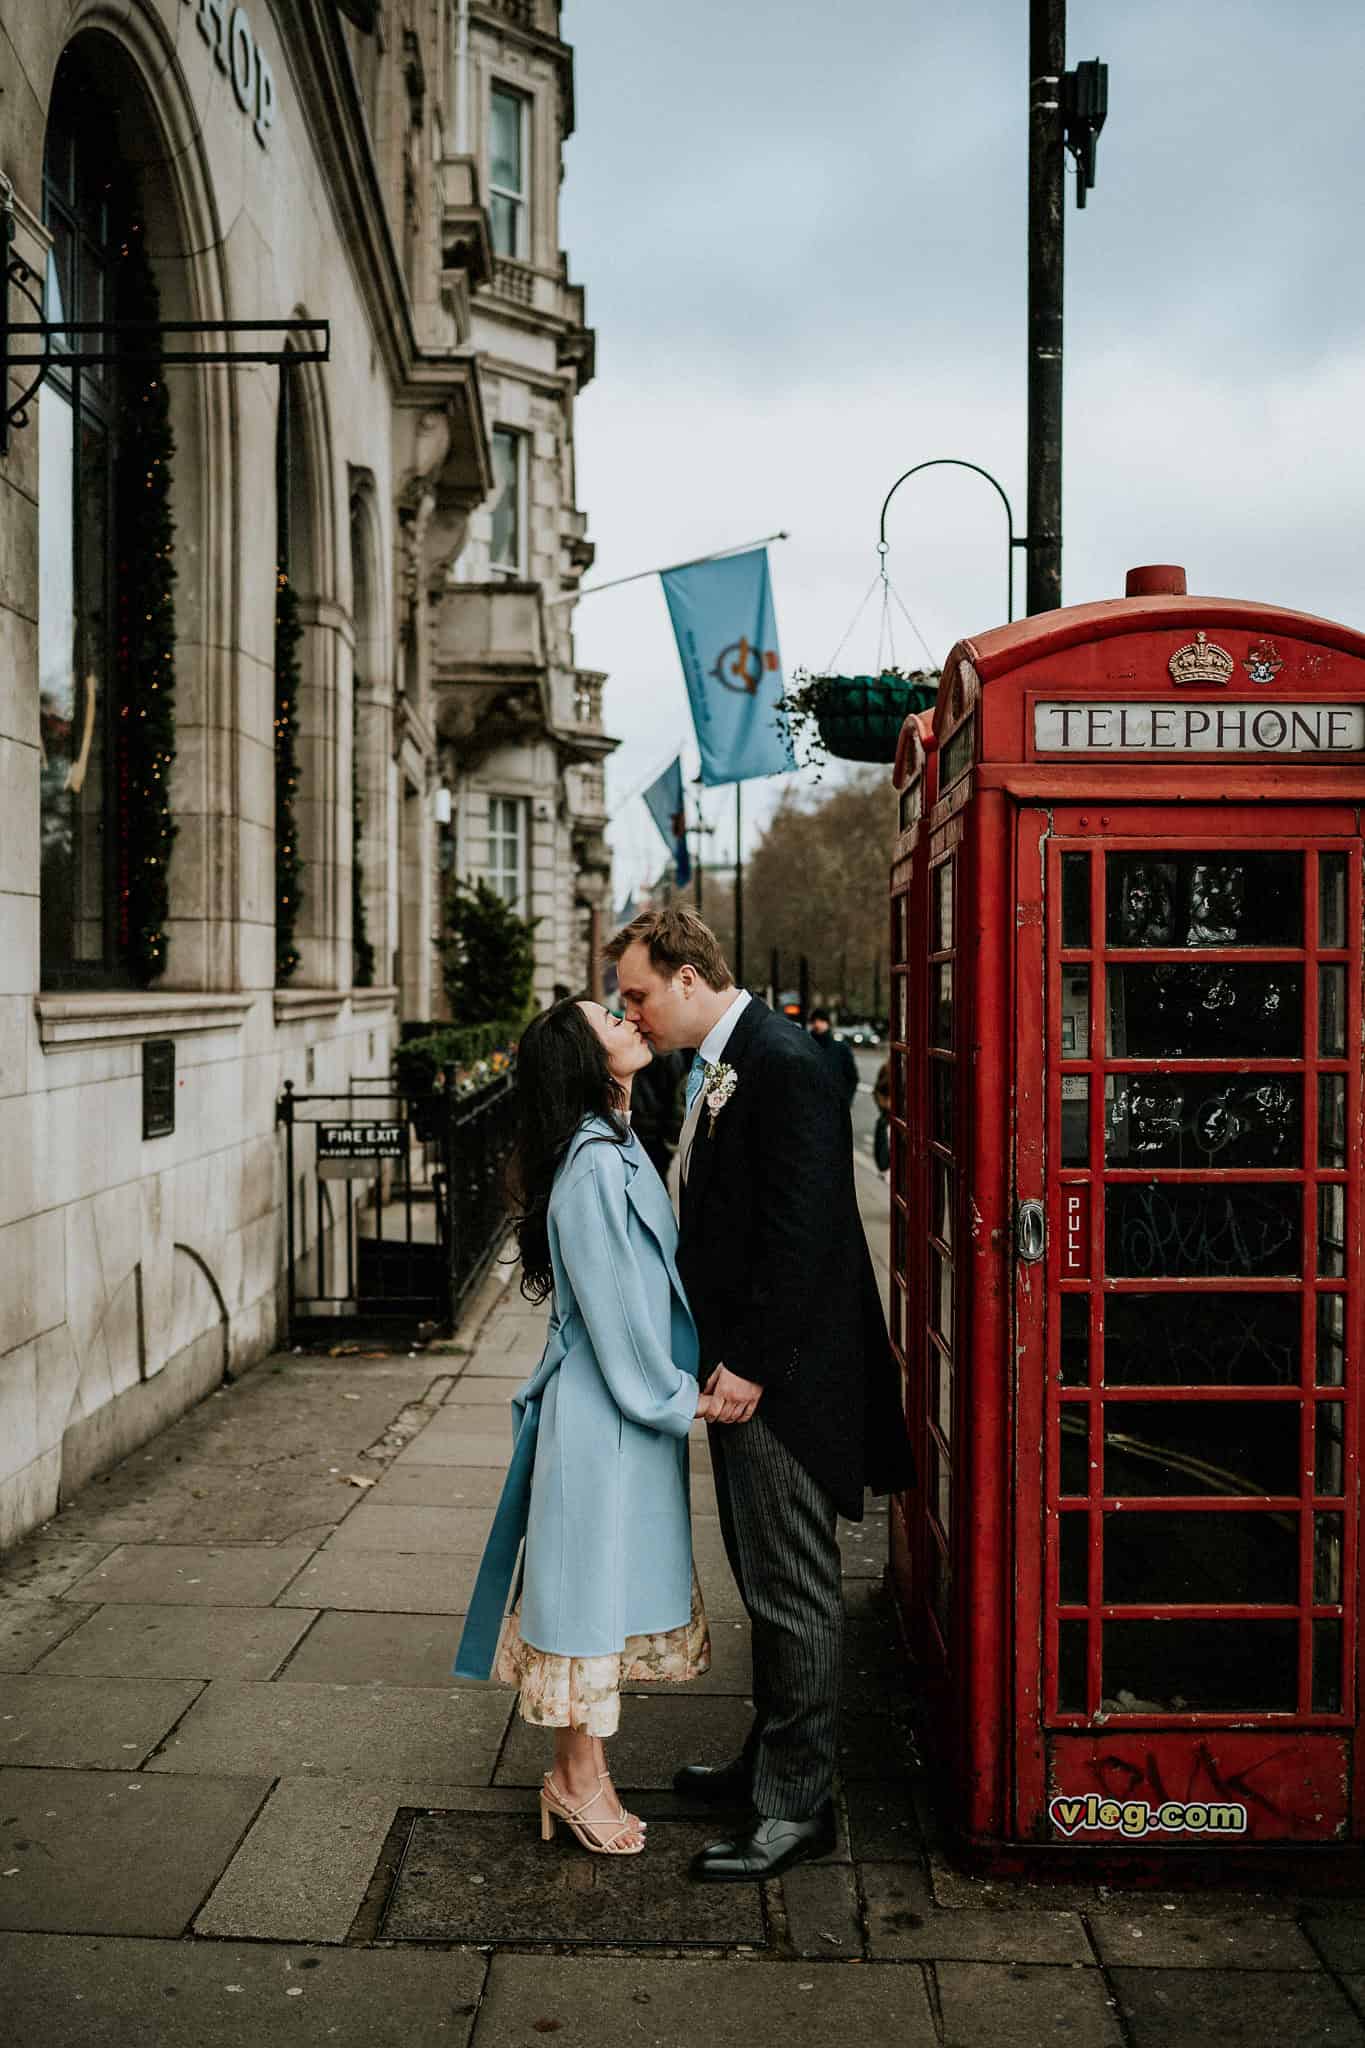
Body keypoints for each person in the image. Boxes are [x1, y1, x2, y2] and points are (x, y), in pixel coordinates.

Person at [606, 908, 914, 1884]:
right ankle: (771, 1757)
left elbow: (807, 1232)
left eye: (640, 993)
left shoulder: (782, 1061)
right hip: (736, 1368)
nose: (633, 1010)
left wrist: (749, 1364)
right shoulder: (716, 1065)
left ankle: (799, 1806)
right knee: (762, 1582)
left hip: (780, 1383)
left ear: (689, 978)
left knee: (794, 1591)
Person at [454, 997, 721, 1856]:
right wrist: (684, 1397)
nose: (631, 1018)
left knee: (593, 1595)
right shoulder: (596, 1166)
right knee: (581, 1603)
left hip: (612, 1413)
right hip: (607, 1412)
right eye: (612, 1016)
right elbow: (615, 1314)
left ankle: (581, 1777)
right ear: (583, 1055)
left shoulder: (607, 1144)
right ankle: (574, 1783)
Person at [807, 1007, 859, 1107]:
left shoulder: (841, 1048)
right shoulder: (806, 1045)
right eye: (815, 1021)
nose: (817, 1024)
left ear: (827, 1023)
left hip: (834, 1103)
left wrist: (846, 1101)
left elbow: (852, 1077)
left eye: (821, 1021)